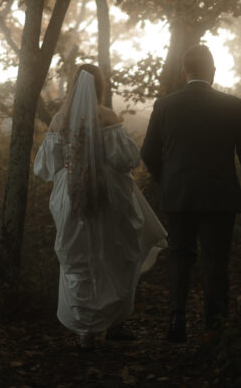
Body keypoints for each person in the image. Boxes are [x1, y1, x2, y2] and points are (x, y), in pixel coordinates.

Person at [34, 64, 167, 349]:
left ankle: (85, 330)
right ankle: (116, 322)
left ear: (73, 85)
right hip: (110, 197)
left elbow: (45, 167)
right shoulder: (107, 116)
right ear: (100, 86)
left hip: (70, 196)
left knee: (77, 257)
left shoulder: (60, 119)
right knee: (115, 255)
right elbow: (128, 159)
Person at [140, 44, 241, 342]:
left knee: (180, 256)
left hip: (179, 195)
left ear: (184, 72)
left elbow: (148, 152)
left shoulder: (165, 105)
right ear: (214, 71)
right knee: (215, 259)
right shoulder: (231, 104)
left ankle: (176, 320)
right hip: (220, 196)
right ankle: (214, 326)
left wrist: (167, 180)